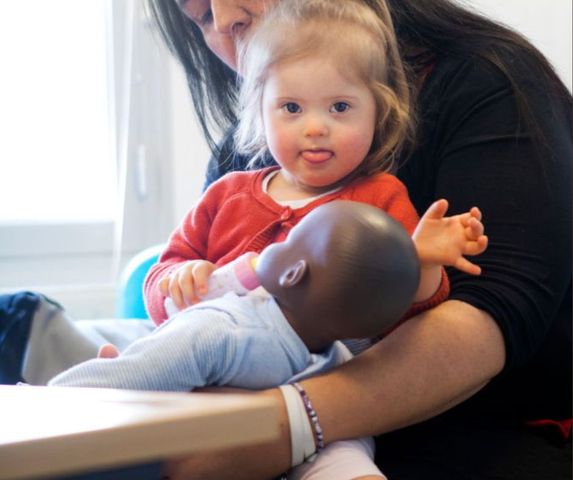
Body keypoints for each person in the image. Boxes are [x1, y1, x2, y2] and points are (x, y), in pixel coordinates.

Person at [0, 0, 570, 478]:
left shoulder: (478, 86)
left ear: (381, 107)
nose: (223, 20)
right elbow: (178, 285)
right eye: (198, 14)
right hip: (238, 375)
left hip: (461, 422)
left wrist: (281, 422)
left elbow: (479, 313)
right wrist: (161, 358)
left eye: (339, 108)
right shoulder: (242, 166)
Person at [142, 0, 486, 328]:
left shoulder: (381, 201)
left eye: (339, 107)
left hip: (318, 366)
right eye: (291, 108)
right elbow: (158, 283)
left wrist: (420, 263)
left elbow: (408, 316)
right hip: (212, 351)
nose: (315, 128)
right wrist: (180, 280)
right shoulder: (224, 195)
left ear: (378, 113)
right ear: (259, 115)